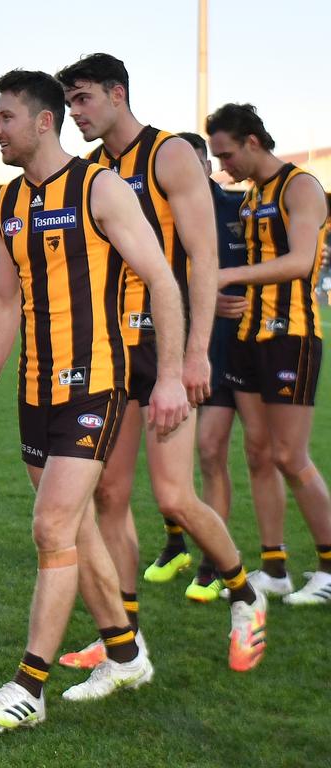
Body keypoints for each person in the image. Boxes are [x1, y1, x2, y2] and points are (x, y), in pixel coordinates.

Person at [0, 69, 186, 732]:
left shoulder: (101, 188)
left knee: (53, 528)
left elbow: (162, 281)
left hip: (95, 385)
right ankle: (125, 653)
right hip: (36, 391)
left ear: (40, 121)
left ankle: (27, 687)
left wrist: (170, 374)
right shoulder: (8, 203)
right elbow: (4, 301)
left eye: (4, 117)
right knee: (76, 527)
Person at [54, 53, 265, 675]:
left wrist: (194, 355)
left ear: (117, 95)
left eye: (85, 99)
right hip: (113, 353)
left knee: (173, 495)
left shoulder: (169, 155)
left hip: (167, 349)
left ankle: (246, 597)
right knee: (110, 497)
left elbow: (202, 259)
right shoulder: (93, 171)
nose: (76, 113)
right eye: (69, 104)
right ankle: (127, 640)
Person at [208, 103, 331, 605]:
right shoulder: (250, 196)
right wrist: (218, 294)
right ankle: (274, 567)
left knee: (289, 456)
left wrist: (229, 277)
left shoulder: (301, 186)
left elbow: (302, 261)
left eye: (228, 154)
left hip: (291, 334)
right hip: (247, 337)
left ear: (253, 142)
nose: (224, 166)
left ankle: (328, 568)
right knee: (257, 454)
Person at [177, 131, 283, 603]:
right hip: (200, 348)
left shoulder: (240, 207)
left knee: (266, 453)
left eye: (202, 159)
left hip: (250, 346)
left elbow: (285, 254)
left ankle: (276, 562)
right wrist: (198, 299)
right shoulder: (166, 212)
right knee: (209, 450)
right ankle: (214, 562)